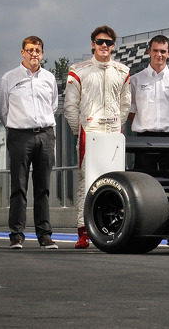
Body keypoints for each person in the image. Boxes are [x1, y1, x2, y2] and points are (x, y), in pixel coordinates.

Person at [64, 25, 131, 249]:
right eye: (100, 42)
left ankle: (114, 226)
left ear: (114, 46)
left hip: (113, 131)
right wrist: (80, 130)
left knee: (116, 180)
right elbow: (70, 107)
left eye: (109, 43)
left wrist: (115, 124)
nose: (104, 46)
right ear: (93, 44)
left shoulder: (123, 71)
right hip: (89, 130)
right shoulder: (78, 69)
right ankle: (83, 231)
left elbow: (125, 105)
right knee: (87, 180)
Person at [0, 36, 59, 249]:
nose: (34, 54)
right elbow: (2, 110)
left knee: (43, 188)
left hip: (45, 135)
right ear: (22, 52)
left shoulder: (49, 78)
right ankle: (16, 234)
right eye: (30, 50)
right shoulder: (8, 78)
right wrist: (18, 126)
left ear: (42, 53)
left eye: (38, 50)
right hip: (20, 136)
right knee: (19, 186)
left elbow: (53, 106)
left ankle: (44, 235)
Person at [128, 35, 169, 171]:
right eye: (155, 51)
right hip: (144, 139)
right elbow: (131, 111)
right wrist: (145, 124)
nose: (159, 55)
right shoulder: (135, 80)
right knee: (143, 183)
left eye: (162, 51)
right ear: (149, 52)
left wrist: (167, 126)